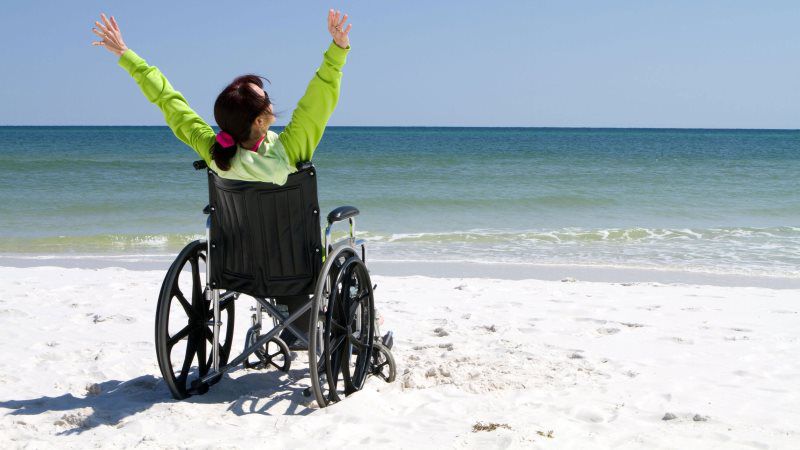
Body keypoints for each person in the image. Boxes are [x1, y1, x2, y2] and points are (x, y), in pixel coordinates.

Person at [91, 10, 353, 349]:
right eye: (266, 99)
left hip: (237, 268)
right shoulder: (289, 152)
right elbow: (320, 97)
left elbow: (169, 102)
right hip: (297, 267)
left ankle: (292, 327)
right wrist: (338, 49)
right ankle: (319, 326)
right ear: (261, 121)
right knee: (343, 249)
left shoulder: (214, 153)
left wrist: (126, 55)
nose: (271, 101)